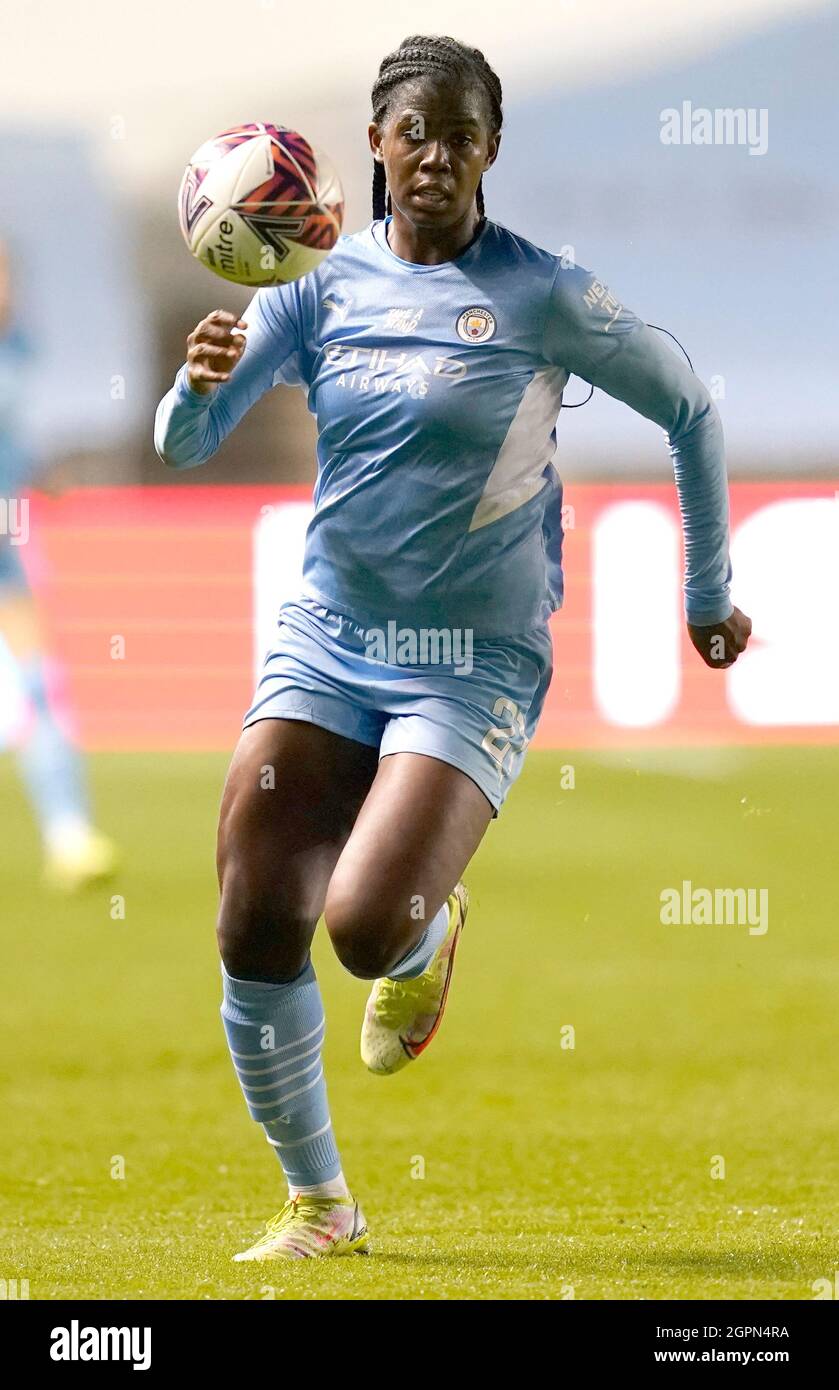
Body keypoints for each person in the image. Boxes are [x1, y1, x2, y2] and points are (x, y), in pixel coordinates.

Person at [154, 34, 752, 1262]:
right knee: (254, 908)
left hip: (469, 660)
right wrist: (193, 384)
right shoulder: (317, 287)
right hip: (328, 638)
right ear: (373, 144)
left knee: (363, 927)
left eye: (460, 132)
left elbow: (687, 401)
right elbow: (186, 440)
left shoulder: (540, 294)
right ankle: (322, 1207)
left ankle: (425, 935)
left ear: (491, 147)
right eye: (412, 131)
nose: (434, 155)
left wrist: (706, 592)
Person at [0, 239, 117, 891]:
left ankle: (70, 837)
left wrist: (40, 473)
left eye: (8, 275)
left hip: (4, 555)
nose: (5, 289)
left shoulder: (18, 351)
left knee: (41, 688)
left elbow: (11, 439)